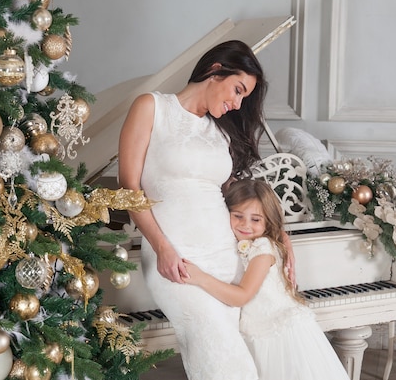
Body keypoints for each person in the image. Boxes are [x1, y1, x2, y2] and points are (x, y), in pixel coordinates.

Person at [118, 40, 294, 380]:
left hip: (224, 257)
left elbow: (235, 195)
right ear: (216, 71)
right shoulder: (152, 107)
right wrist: (163, 249)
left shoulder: (221, 130)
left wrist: (279, 232)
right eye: (237, 90)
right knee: (228, 363)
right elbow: (129, 189)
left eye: (244, 97)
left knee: (220, 360)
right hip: (176, 257)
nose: (237, 102)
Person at [183, 179, 350, 380]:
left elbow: (242, 296)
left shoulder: (262, 249)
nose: (245, 225)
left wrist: (201, 278)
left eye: (255, 219)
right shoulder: (248, 242)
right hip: (260, 333)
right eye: (237, 216)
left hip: (278, 337)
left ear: (268, 221)